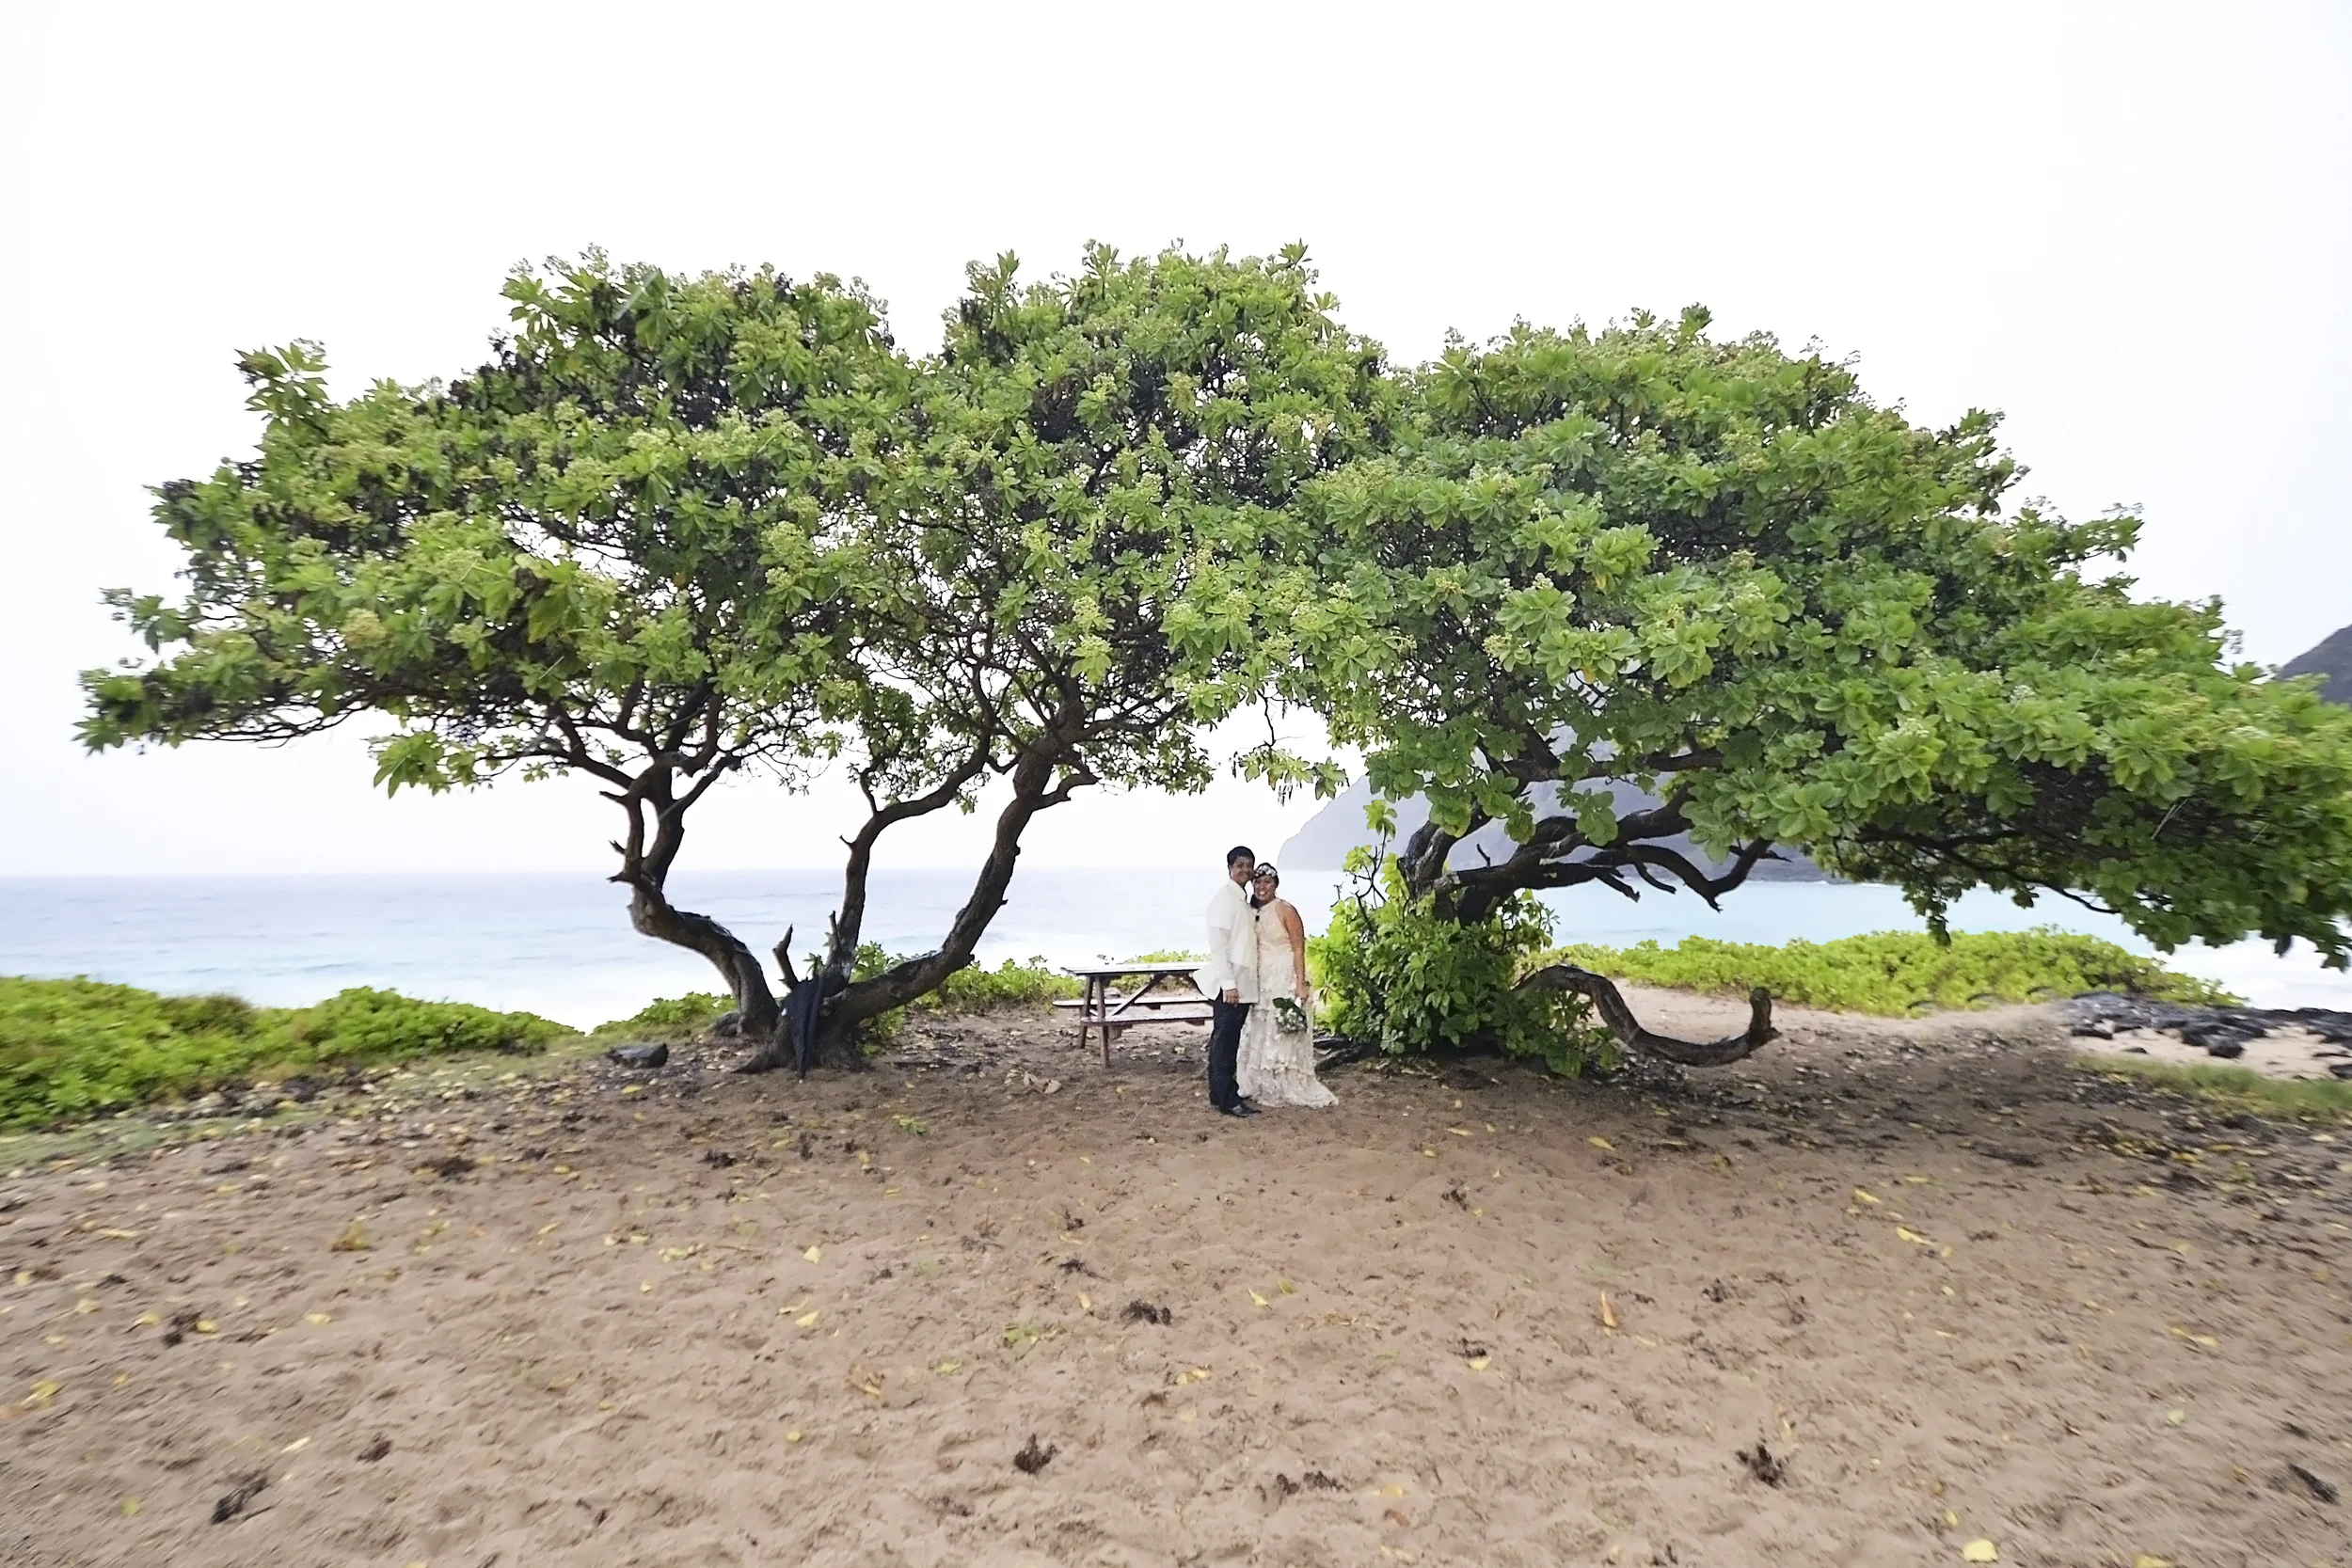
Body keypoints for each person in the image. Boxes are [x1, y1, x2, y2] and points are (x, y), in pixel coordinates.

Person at [1235, 864, 1336, 1108]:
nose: (1262, 887)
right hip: (1262, 975)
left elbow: (1299, 947)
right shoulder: (1252, 911)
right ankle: (1259, 1080)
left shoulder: (1286, 909)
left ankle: (1286, 1080)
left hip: (1284, 973)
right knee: (1261, 1026)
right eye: (1258, 883)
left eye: (1267, 882)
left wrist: (1301, 982)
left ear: (1276, 885)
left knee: (1284, 1026)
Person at [1201, 845, 1260, 1117]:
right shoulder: (1224, 900)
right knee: (1225, 1042)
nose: (1245, 870)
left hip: (1242, 981)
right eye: (1240, 866)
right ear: (1229, 868)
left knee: (1226, 1041)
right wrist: (1228, 984)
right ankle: (1228, 1099)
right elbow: (1219, 946)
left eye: (1249, 865)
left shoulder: (1240, 900)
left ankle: (1220, 1094)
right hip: (1231, 985)